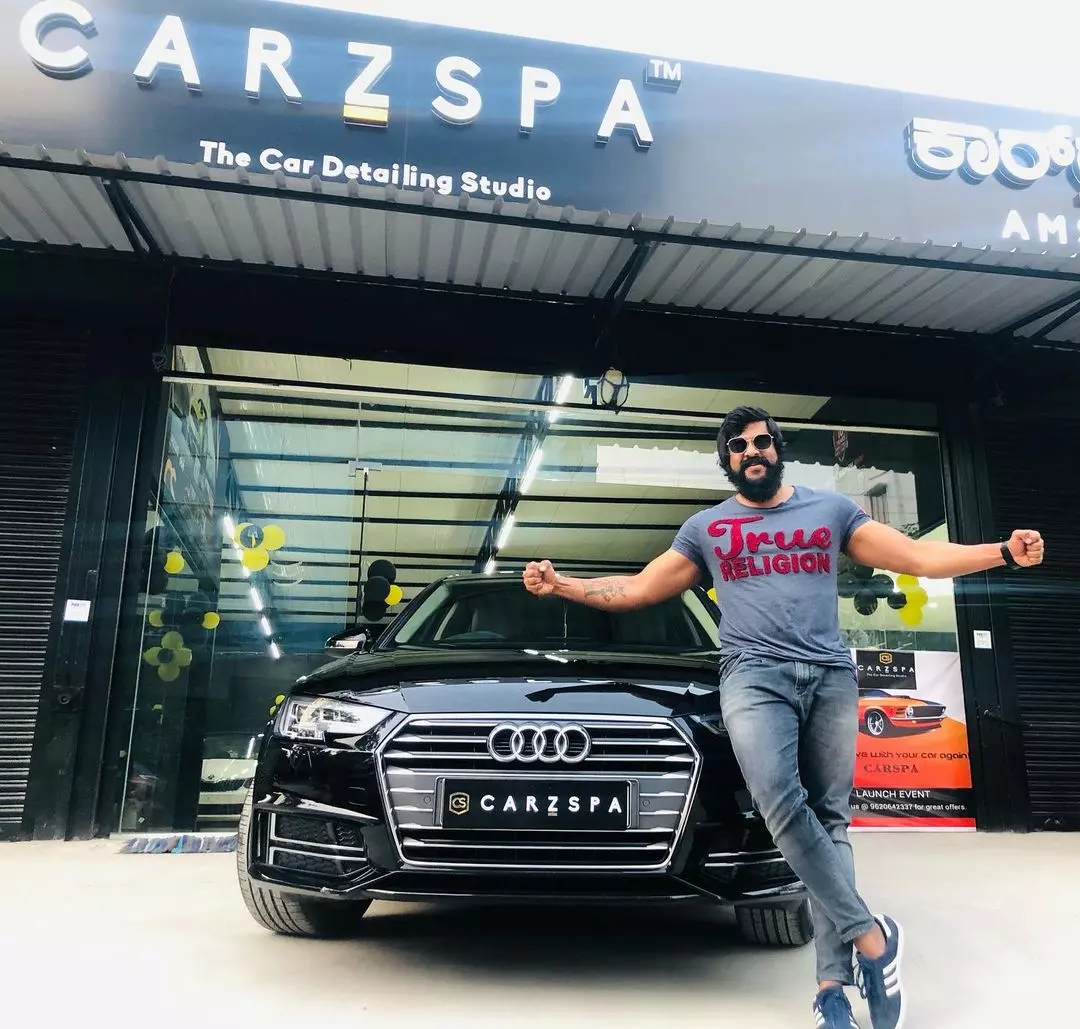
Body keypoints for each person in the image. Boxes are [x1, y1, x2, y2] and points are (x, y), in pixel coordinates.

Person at [522, 405, 1044, 1029]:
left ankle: (831, 991)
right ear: (727, 462)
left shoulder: (830, 512)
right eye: (739, 445)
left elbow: (918, 559)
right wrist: (564, 586)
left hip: (829, 675)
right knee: (778, 800)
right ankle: (873, 939)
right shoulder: (708, 529)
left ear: (778, 449)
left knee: (830, 821)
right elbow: (636, 589)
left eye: (762, 440)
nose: (753, 451)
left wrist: (1003, 554)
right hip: (751, 674)